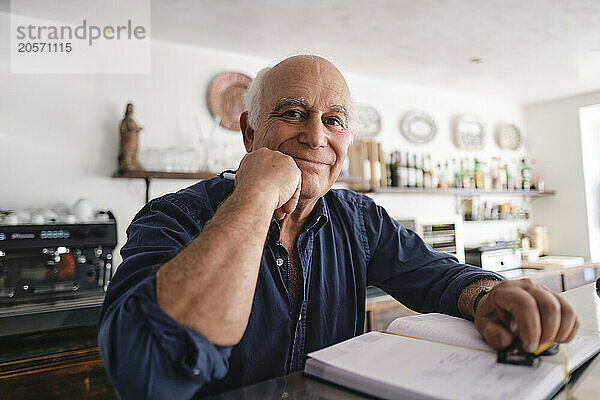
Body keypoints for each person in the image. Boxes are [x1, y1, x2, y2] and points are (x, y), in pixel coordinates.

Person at [98, 55, 579, 399]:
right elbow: (144, 373)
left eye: (334, 121)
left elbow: (438, 276)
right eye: (292, 113)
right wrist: (256, 194)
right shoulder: (174, 217)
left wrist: (486, 297)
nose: (315, 136)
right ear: (249, 132)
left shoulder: (359, 217)